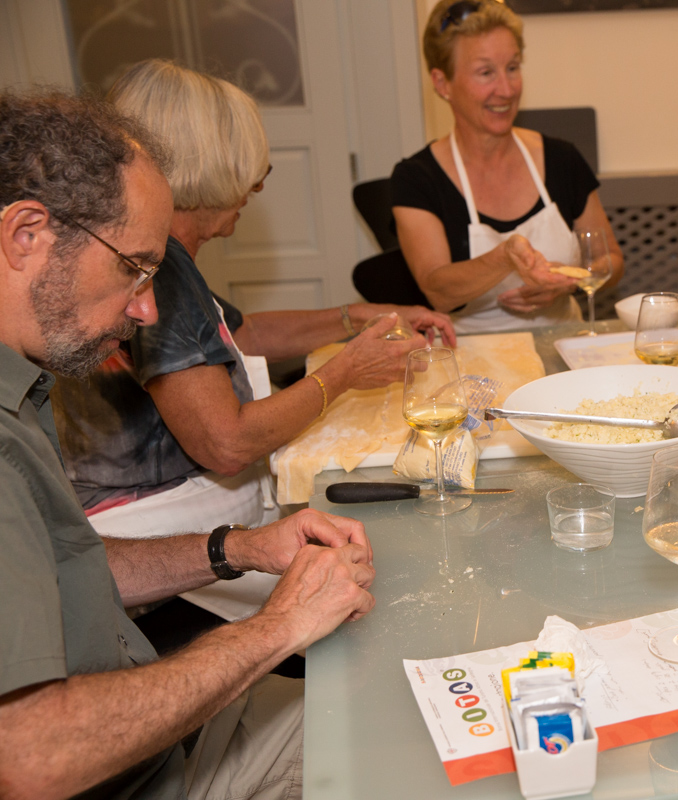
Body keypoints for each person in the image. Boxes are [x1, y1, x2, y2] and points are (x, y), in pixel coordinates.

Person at [0, 88, 375, 800]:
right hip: (141, 775)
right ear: (26, 235)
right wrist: (278, 627)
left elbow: (69, 566)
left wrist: (237, 548)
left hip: (158, 737)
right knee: (400, 741)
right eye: (132, 268)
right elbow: (30, 757)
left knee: (387, 695)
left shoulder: (24, 386)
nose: (147, 308)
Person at [50, 60, 454, 619]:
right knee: (390, 582)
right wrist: (345, 372)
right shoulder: (160, 270)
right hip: (158, 551)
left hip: (181, 521)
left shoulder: (167, 258)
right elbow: (226, 443)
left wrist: (359, 317)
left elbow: (238, 334)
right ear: (205, 166)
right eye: (247, 172)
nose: (255, 187)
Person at [390, 0, 624, 333]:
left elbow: (611, 261)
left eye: (512, 67)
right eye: (486, 73)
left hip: (563, 344)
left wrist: (569, 282)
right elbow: (438, 291)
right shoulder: (417, 178)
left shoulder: (562, 159)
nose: (507, 89)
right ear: (442, 84)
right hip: (467, 354)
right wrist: (503, 258)